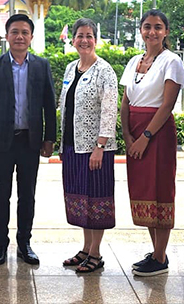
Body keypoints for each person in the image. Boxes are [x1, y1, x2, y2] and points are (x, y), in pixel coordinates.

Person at [0, 13, 57, 266]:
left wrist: (49, 139)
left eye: (25, 32)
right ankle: (1, 244)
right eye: (15, 32)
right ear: (7, 36)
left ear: (31, 37)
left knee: (28, 195)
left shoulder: (41, 65)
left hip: (29, 142)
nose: (20, 36)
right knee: (1, 195)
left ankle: (25, 243)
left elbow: (49, 104)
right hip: (0, 142)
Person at [119, 10, 184, 277]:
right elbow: (126, 101)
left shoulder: (172, 61)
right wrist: (127, 135)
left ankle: (160, 256)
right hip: (134, 131)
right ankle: (156, 251)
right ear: (141, 31)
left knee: (160, 189)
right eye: (147, 27)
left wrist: (145, 137)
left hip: (157, 133)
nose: (152, 32)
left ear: (166, 32)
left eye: (158, 27)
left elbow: (167, 104)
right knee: (144, 190)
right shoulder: (135, 60)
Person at [58, 18, 118, 274]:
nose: (84, 40)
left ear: (96, 39)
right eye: (80, 35)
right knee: (81, 199)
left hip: (95, 149)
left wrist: (100, 145)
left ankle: (96, 253)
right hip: (73, 145)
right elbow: (65, 106)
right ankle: (85, 248)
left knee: (97, 199)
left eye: (89, 35)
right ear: (73, 39)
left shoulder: (105, 71)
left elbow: (109, 109)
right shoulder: (71, 68)